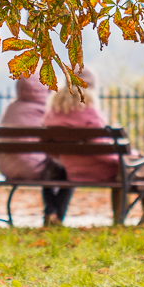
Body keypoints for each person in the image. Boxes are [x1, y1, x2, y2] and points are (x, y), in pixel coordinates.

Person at [42, 67, 121, 224]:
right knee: (128, 171)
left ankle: (53, 215)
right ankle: (119, 220)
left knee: (54, 171)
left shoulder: (53, 111)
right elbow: (103, 151)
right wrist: (122, 158)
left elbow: (49, 148)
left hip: (70, 169)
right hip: (98, 171)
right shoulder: (90, 111)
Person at [0, 75, 68, 223]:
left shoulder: (11, 108)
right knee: (66, 170)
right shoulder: (45, 110)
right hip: (31, 168)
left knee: (49, 168)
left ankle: (51, 214)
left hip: (5, 168)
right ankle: (54, 214)